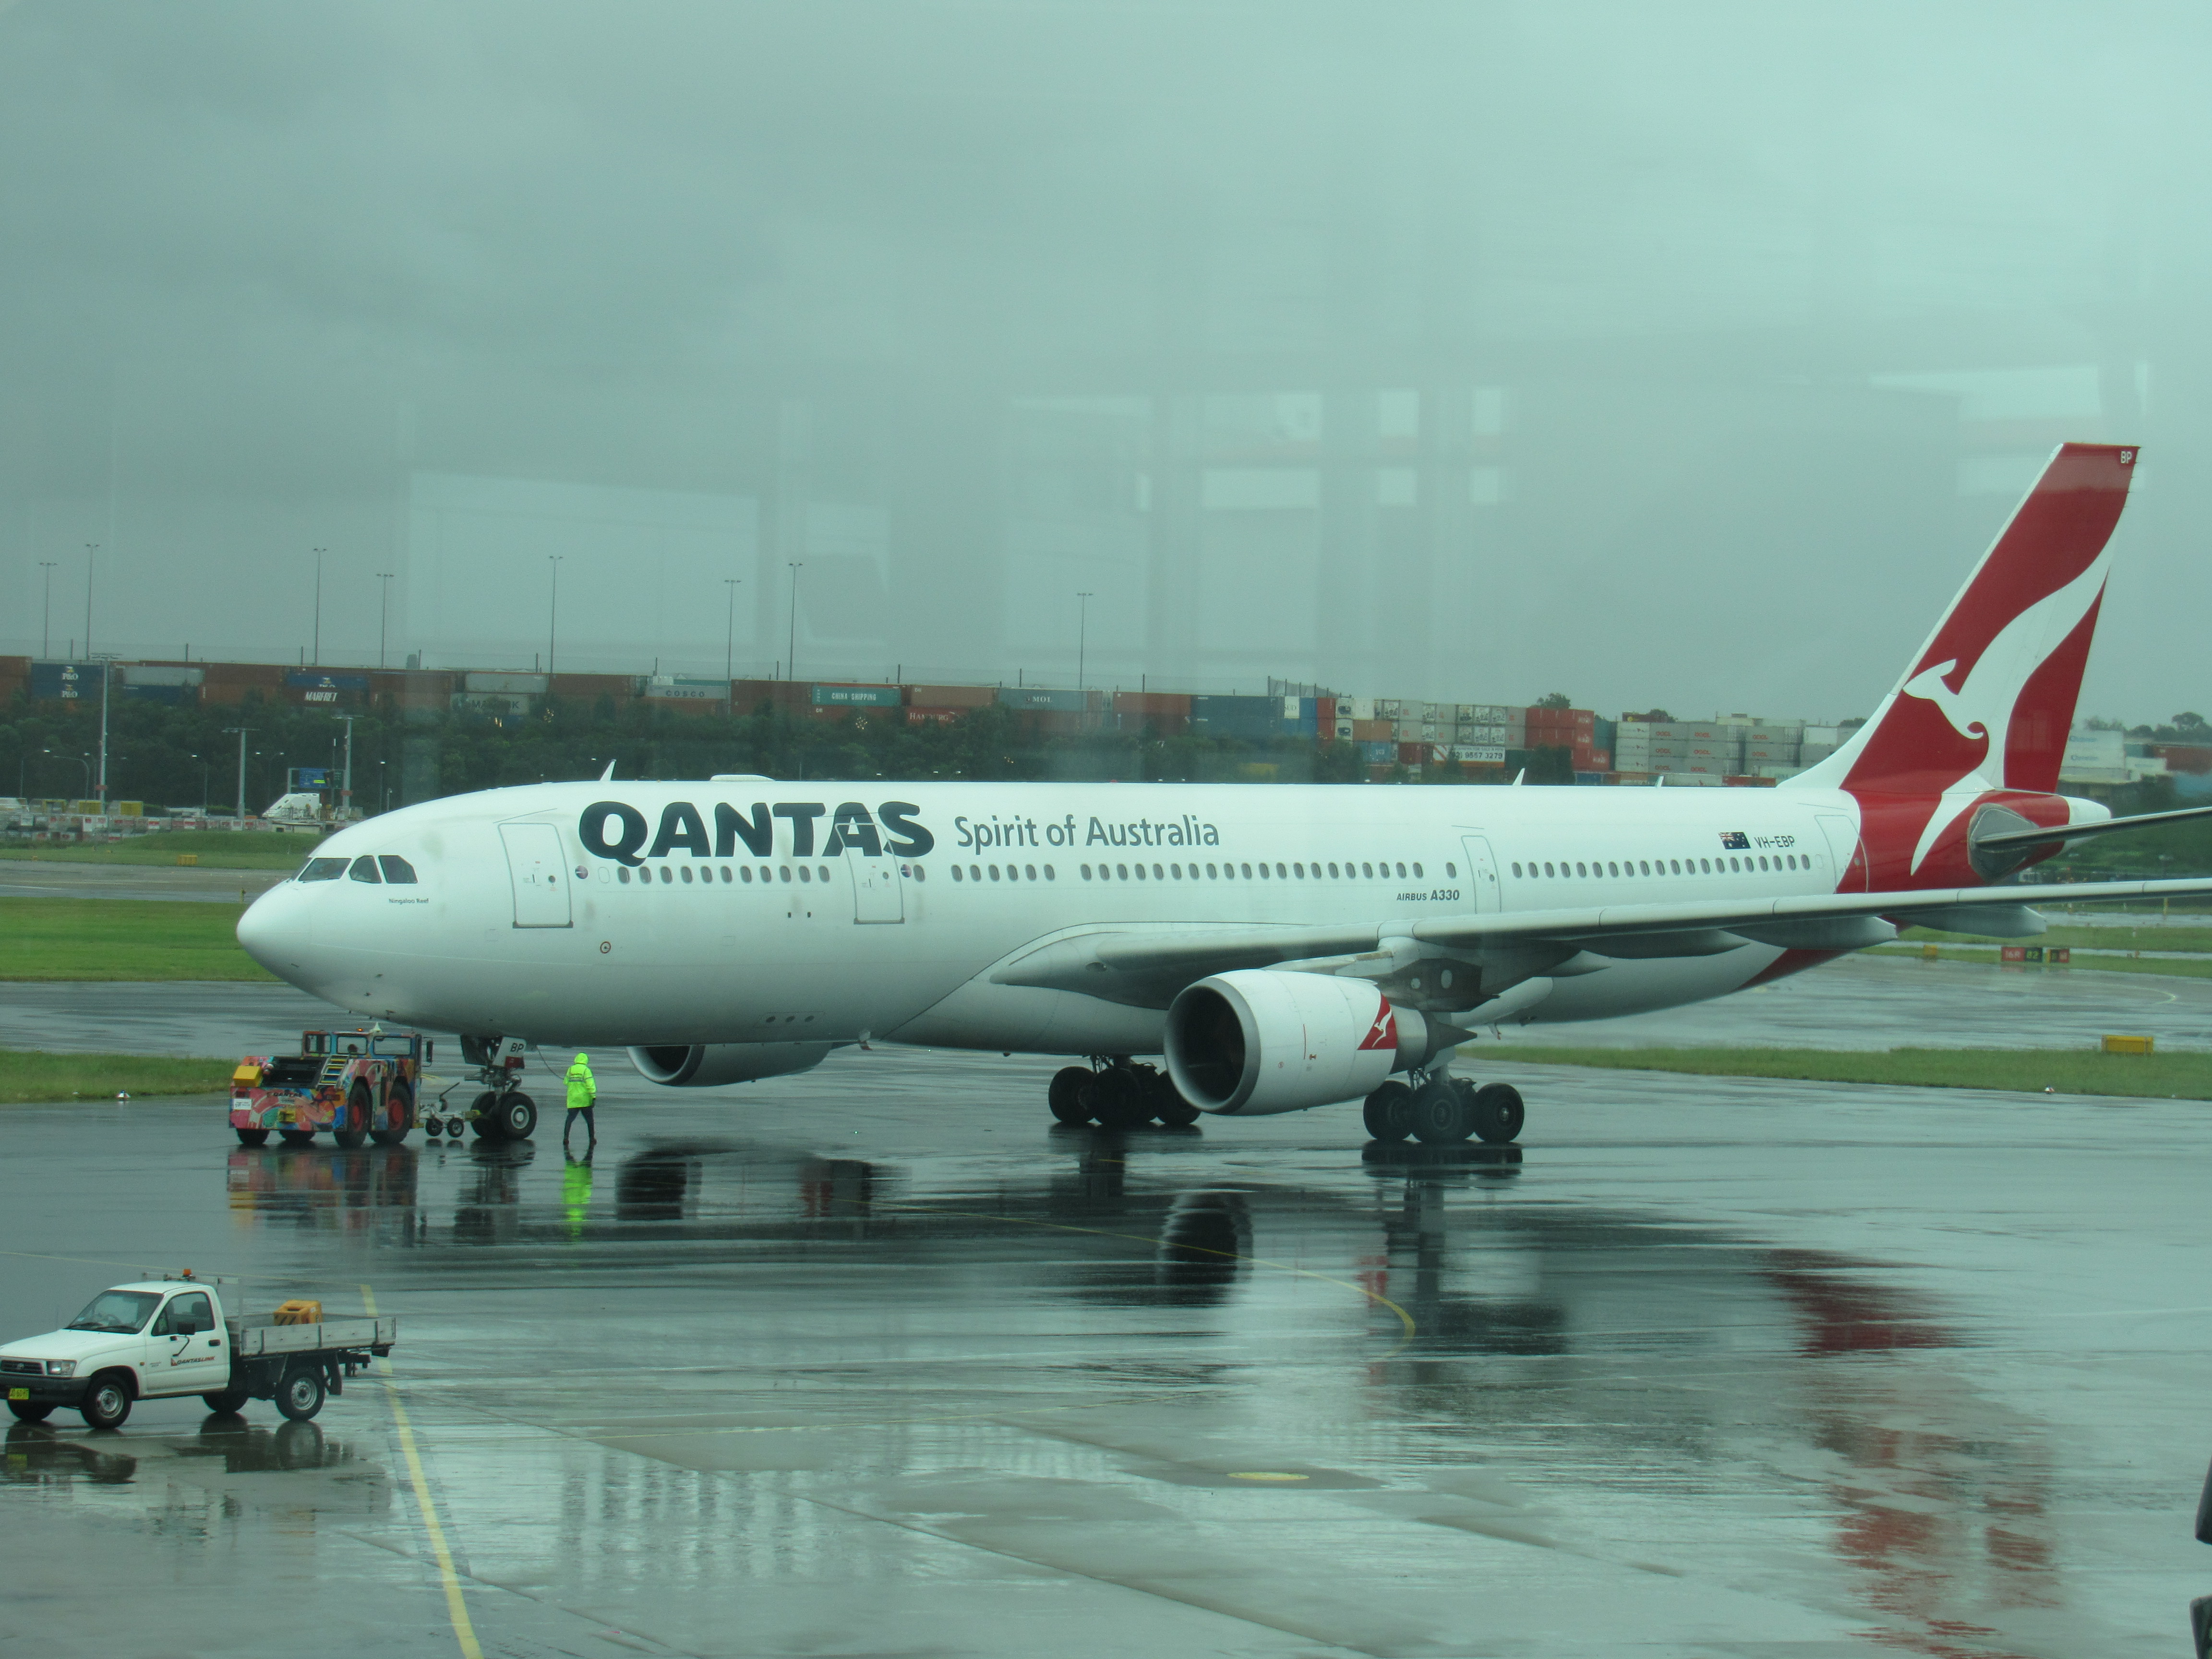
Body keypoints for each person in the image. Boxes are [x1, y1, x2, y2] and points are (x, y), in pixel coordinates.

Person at [563, 1051, 597, 1148]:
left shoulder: (571, 1069)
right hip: (585, 1100)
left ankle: (566, 1138)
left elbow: (566, 1082)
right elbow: (591, 1085)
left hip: (573, 1100)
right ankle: (592, 1139)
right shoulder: (586, 1070)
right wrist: (593, 1097)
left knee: (570, 1119)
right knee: (590, 1121)